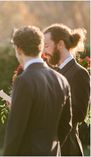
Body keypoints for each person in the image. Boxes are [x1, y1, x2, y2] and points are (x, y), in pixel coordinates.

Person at [3, 26, 72, 155]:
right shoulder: (62, 80)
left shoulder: (23, 80)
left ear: (18, 49)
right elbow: (66, 125)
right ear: (40, 47)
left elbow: (15, 130)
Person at [43, 23, 90, 156]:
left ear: (60, 44)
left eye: (46, 46)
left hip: (68, 147)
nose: (44, 52)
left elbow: (80, 114)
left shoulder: (79, 73)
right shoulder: (55, 72)